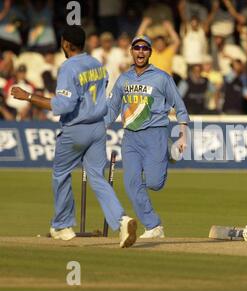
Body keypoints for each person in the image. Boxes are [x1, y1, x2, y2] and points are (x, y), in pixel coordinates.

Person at [10, 25, 137, 248]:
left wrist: (28, 96)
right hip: (98, 127)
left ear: (66, 44)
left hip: (75, 128)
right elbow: (103, 87)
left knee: (61, 173)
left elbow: (63, 105)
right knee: (97, 177)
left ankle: (63, 225)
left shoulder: (68, 68)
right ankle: (122, 220)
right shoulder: (97, 64)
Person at [105, 35, 189, 239]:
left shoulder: (161, 77)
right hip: (131, 137)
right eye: (137, 48)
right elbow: (112, 108)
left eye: (144, 48)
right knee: (131, 182)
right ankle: (153, 226)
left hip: (156, 134)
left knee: (154, 183)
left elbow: (179, 106)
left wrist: (182, 136)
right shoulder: (123, 79)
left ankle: (169, 150)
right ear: (131, 51)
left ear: (150, 52)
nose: (140, 52)